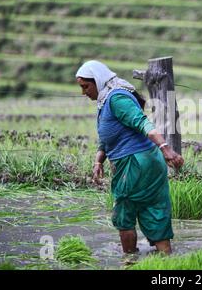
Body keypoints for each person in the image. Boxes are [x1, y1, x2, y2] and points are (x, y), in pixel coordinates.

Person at [76, 60, 184, 255]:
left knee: (124, 215)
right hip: (149, 163)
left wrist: (166, 148)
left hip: (133, 165)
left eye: (85, 86)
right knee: (155, 212)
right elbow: (107, 136)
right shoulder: (107, 99)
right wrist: (98, 160)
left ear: (98, 81)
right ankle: (167, 261)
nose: (84, 92)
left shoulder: (116, 99)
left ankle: (129, 261)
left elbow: (143, 123)